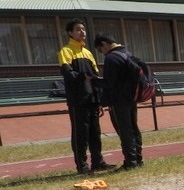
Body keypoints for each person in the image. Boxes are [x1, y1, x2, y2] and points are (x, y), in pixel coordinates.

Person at [57, 18, 114, 174]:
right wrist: (82, 77)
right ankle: (82, 165)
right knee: (80, 134)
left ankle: (98, 162)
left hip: (92, 100)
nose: (82, 32)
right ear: (70, 33)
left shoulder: (88, 53)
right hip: (78, 100)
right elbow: (68, 73)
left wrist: (100, 100)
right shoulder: (65, 51)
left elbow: (95, 76)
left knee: (95, 133)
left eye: (83, 29)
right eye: (78, 29)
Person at [91, 33, 143, 170]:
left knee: (124, 130)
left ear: (104, 44)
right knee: (133, 128)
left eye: (101, 50)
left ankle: (130, 162)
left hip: (118, 100)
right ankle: (138, 159)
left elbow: (109, 82)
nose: (102, 53)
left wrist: (92, 81)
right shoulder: (126, 53)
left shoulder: (111, 58)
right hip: (131, 98)